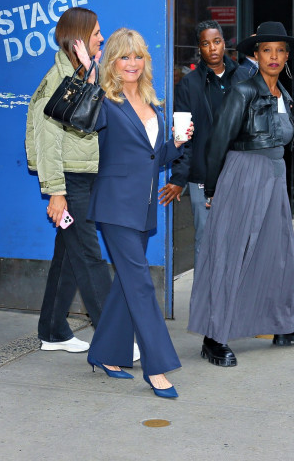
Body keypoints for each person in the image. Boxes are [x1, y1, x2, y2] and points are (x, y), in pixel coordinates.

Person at [188, 22, 294, 368]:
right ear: (255, 55)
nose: (275, 57)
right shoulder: (243, 91)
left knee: (279, 254)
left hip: (274, 176)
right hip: (243, 174)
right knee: (230, 254)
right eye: (267, 50)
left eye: (281, 50)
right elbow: (219, 140)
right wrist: (213, 187)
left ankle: (286, 325)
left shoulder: (285, 94)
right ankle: (214, 336)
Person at [86, 28, 191, 398]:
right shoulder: (103, 102)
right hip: (115, 207)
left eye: (138, 56)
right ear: (112, 61)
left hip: (145, 207)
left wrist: (175, 145)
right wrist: (86, 74)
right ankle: (158, 366)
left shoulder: (155, 104)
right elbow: (75, 117)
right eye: (124, 56)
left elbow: (153, 159)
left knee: (126, 284)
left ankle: (105, 353)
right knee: (142, 283)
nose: (132, 63)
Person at [24, 7, 125, 357]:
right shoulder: (61, 82)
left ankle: (52, 329)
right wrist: (56, 192)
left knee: (69, 255)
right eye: (96, 32)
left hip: (83, 177)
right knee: (89, 258)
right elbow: (46, 140)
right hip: (70, 182)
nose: (101, 37)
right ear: (79, 38)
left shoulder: (82, 76)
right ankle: (115, 339)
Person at [158, 20, 250, 269]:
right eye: (206, 43)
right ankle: (205, 305)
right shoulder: (188, 85)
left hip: (240, 174)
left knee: (239, 243)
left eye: (217, 41)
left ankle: (233, 304)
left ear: (224, 43)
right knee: (207, 242)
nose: (213, 48)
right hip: (202, 177)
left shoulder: (244, 76)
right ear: (199, 48)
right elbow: (183, 134)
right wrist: (179, 178)